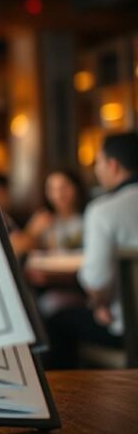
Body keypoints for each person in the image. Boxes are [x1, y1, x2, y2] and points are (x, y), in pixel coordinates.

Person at [45, 133, 138, 368]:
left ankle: (74, 398)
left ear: (113, 165)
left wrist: (99, 304)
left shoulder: (104, 211)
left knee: (57, 322)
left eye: (98, 163)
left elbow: (97, 283)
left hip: (128, 330)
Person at [24, 170, 88, 252]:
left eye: (64, 187)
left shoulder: (88, 217)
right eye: (52, 189)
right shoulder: (42, 219)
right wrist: (32, 232)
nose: (58, 195)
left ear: (76, 188)